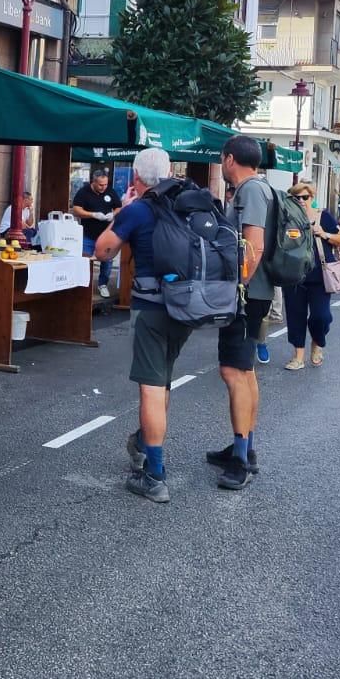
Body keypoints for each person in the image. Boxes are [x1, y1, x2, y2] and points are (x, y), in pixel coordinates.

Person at [92, 148, 194, 503]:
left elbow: (103, 251)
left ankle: (155, 475)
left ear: (136, 176)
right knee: (163, 380)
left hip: (152, 307)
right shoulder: (189, 204)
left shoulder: (138, 209)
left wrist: (120, 213)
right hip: (189, 306)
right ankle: (144, 441)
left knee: (151, 387)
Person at [204, 135, 272, 490]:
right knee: (244, 371)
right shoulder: (255, 190)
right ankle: (245, 445)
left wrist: (237, 287)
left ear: (230, 159)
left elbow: (254, 247)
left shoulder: (251, 191)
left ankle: (241, 460)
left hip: (246, 296)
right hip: (252, 294)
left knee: (233, 371)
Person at [280, 181, 340, 371]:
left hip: (320, 275)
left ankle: (317, 342)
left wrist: (324, 234)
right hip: (293, 275)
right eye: (296, 197)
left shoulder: (322, 216)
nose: (301, 201)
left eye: (305, 197)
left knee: (321, 316)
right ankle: (298, 356)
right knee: (295, 316)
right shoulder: (286, 218)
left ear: (312, 198)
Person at [72, 166, 120, 298]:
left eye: (105, 184)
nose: (103, 187)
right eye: (100, 185)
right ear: (93, 182)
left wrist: (112, 214)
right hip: (89, 233)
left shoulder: (110, 191)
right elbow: (76, 210)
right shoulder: (84, 191)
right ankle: (82, 286)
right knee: (85, 260)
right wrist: (92, 214)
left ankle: (103, 284)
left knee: (107, 261)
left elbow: (118, 207)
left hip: (106, 234)